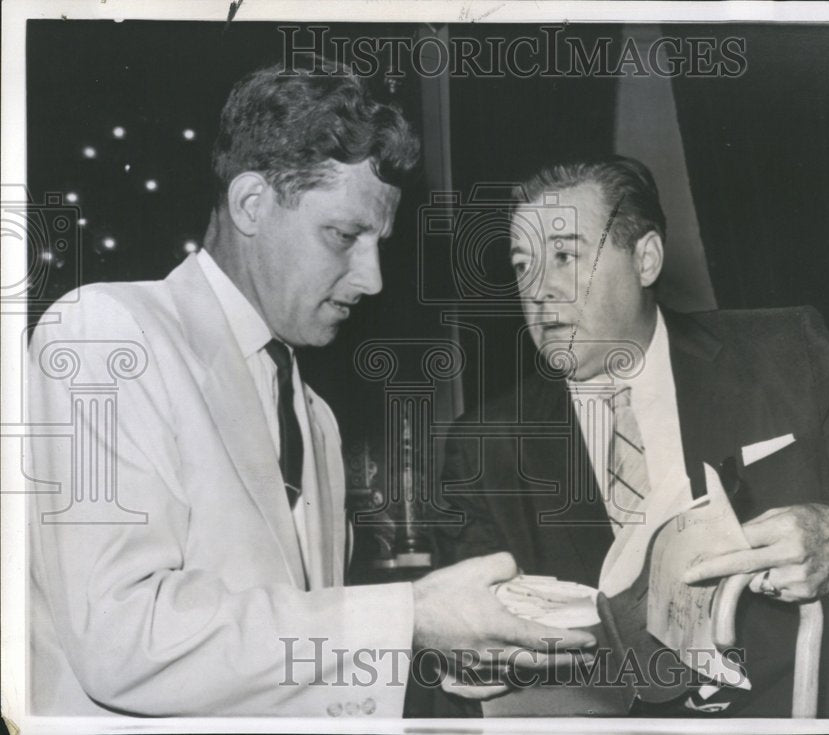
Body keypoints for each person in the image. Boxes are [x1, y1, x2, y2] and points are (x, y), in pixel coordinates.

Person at [26, 59, 594, 718]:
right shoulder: (104, 332)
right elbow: (123, 638)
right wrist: (409, 616)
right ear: (250, 203)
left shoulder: (315, 416)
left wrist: (440, 653)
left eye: (377, 242)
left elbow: (283, 660)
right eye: (344, 234)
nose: (373, 278)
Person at [435, 156, 829, 717]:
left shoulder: (790, 354)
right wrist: (475, 660)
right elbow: (466, 635)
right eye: (523, 265)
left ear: (645, 259)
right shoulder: (485, 444)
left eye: (566, 257)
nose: (540, 291)